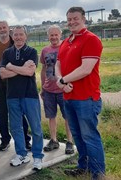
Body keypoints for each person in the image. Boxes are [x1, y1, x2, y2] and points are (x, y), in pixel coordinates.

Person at [56, 7, 105, 179]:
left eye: (75, 18)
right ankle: (83, 167)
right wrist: (61, 82)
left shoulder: (91, 39)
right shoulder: (66, 41)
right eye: (69, 19)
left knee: (89, 136)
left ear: (84, 18)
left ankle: (98, 174)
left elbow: (85, 69)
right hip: (69, 97)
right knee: (77, 136)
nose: (72, 22)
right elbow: (58, 64)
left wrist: (63, 80)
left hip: (86, 98)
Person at [0, 26, 44, 171]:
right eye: (16, 35)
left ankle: (37, 157)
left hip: (29, 95)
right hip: (12, 96)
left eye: (21, 35)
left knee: (36, 127)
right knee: (16, 128)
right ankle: (21, 154)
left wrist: (11, 66)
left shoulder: (31, 51)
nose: (18, 37)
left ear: (26, 36)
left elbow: (30, 71)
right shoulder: (7, 53)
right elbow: (3, 74)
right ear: (12, 37)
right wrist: (21, 70)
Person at [0, 20, 32, 152]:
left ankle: (25, 140)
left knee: (19, 113)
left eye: (4, 27)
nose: (2, 30)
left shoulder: (17, 43)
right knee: (1, 114)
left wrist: (12, 71)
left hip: (15, 84)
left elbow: (25, 65)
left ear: (9, 29)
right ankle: (5, 140)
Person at [40, 25, 74, 154]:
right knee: (51, 116)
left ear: (60, 35)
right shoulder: (45, 50)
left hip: (63, 89)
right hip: (49, 89)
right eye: (51, 35)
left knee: (67, 116)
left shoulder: (66, 47)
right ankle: (53, 140)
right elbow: (43, 69)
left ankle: (69, 142)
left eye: (56, 35)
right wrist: (43, 86)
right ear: (48, 36)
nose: (53, 37)